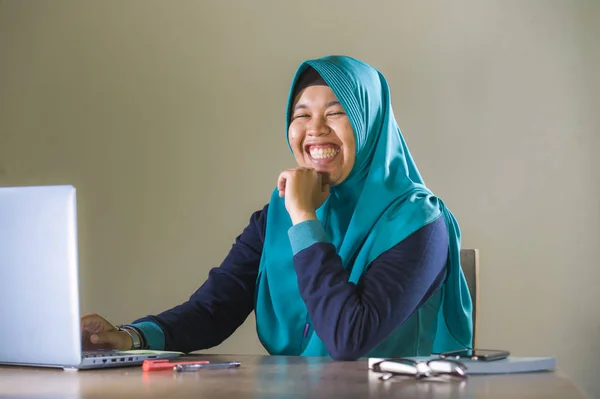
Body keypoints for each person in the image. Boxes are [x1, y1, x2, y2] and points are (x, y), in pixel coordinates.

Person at [81, 55, 473, 361]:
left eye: (336, 112)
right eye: (301, 115)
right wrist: (129, 336)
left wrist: (304, 218)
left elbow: (349, 338)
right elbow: (213, 308)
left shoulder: (419, 223)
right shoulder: (277, 215)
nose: (315, 129)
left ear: (370, 125)